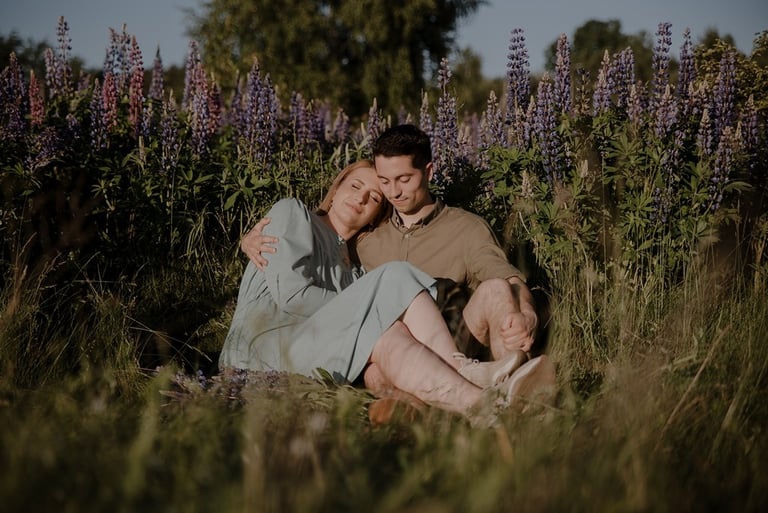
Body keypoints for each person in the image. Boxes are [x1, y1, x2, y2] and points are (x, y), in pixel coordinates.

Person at [220, 160, 552, 424]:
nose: (361, 198)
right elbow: (292, 298)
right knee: (394, 275)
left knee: (389, 333)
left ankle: (486, 408)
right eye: (355, 186)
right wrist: (245, 241)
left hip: (313, 353)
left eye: (374, 197)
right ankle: (465, 371)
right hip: (263, 348)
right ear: (335, 190)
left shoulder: (356, 268)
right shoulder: (293, 213)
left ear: (375, 216)